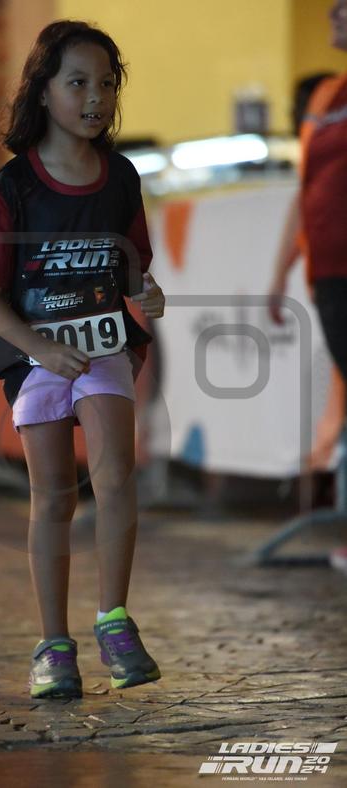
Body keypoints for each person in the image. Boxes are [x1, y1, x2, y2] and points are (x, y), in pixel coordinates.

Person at [0, 20, 165, 698]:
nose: (95, 98)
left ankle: (115, 621)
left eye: (106, 84)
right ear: (42, 92)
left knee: (116, 479)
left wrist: (146, 293)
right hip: (36, 358)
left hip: (103, 350)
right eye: (78, 83)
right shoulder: (12, 186)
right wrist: (41, 348)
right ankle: (53, 646)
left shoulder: (121, 177)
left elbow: (130, 265)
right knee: (52, 497)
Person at [268, 0, 347, 571]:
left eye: (344, 7)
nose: (333, 14)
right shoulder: (323, 98)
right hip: (331, 272)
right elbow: (307, 189)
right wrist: (281, 272)